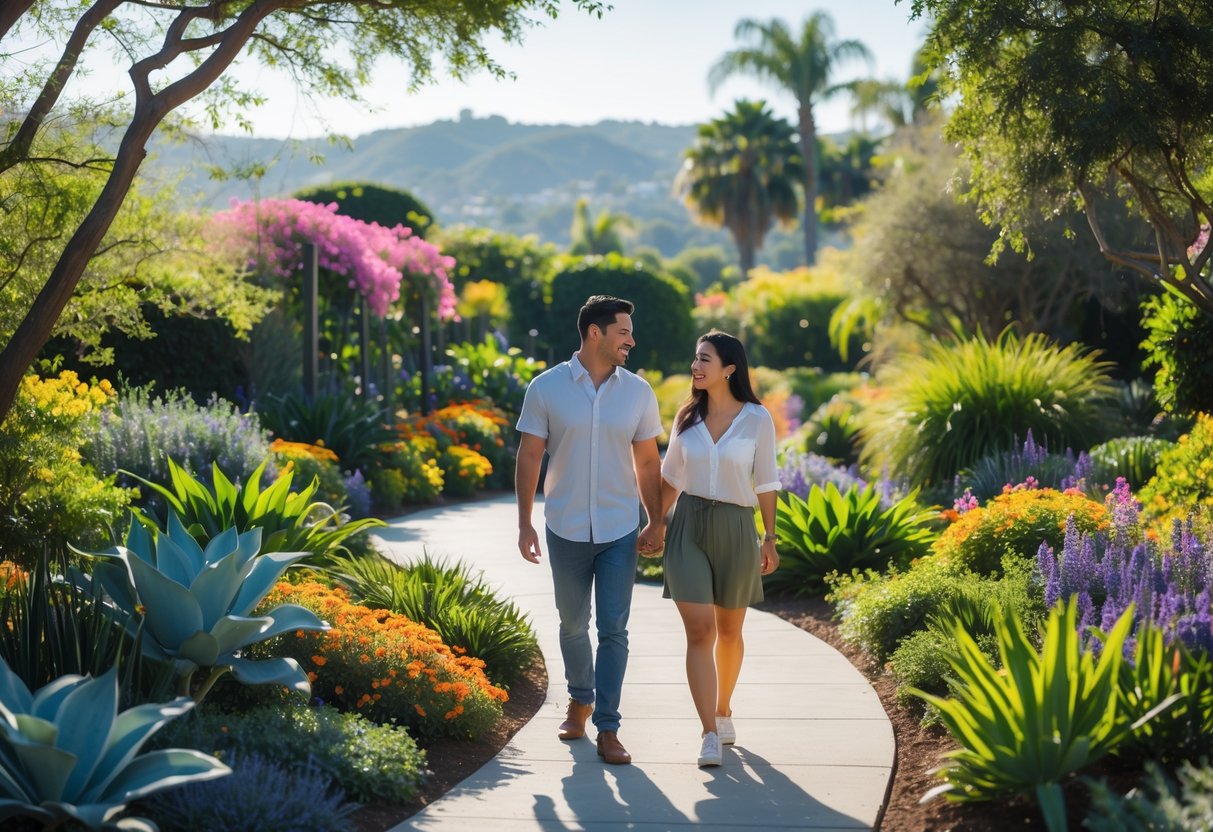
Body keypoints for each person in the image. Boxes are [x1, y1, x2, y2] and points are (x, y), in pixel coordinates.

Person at [515, 294, 665, 766]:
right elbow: (530, 456)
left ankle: (608, 726)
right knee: (573, 624)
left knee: (614, 629)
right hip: (565, 527)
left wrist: (656, 519)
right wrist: (523, 522)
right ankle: (580, 696)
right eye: (624, 332)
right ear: (595, 333)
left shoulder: (638, 392)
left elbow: (647, 460)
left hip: (620, 526)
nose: (631, 341)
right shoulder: (546, 387)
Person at [640, 330, 780, 768]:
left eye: (705, 359)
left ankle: (723, 711)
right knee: (699, 632)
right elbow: (672, 479)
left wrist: (769, 537)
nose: (696, 366)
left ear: (729, 369)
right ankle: (707, 733)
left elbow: (767, 481)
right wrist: (654, 524)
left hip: (738, 526)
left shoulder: (758, 419)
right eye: (695, 358)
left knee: (731, 631)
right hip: (689, 527)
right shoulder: (687, 417)